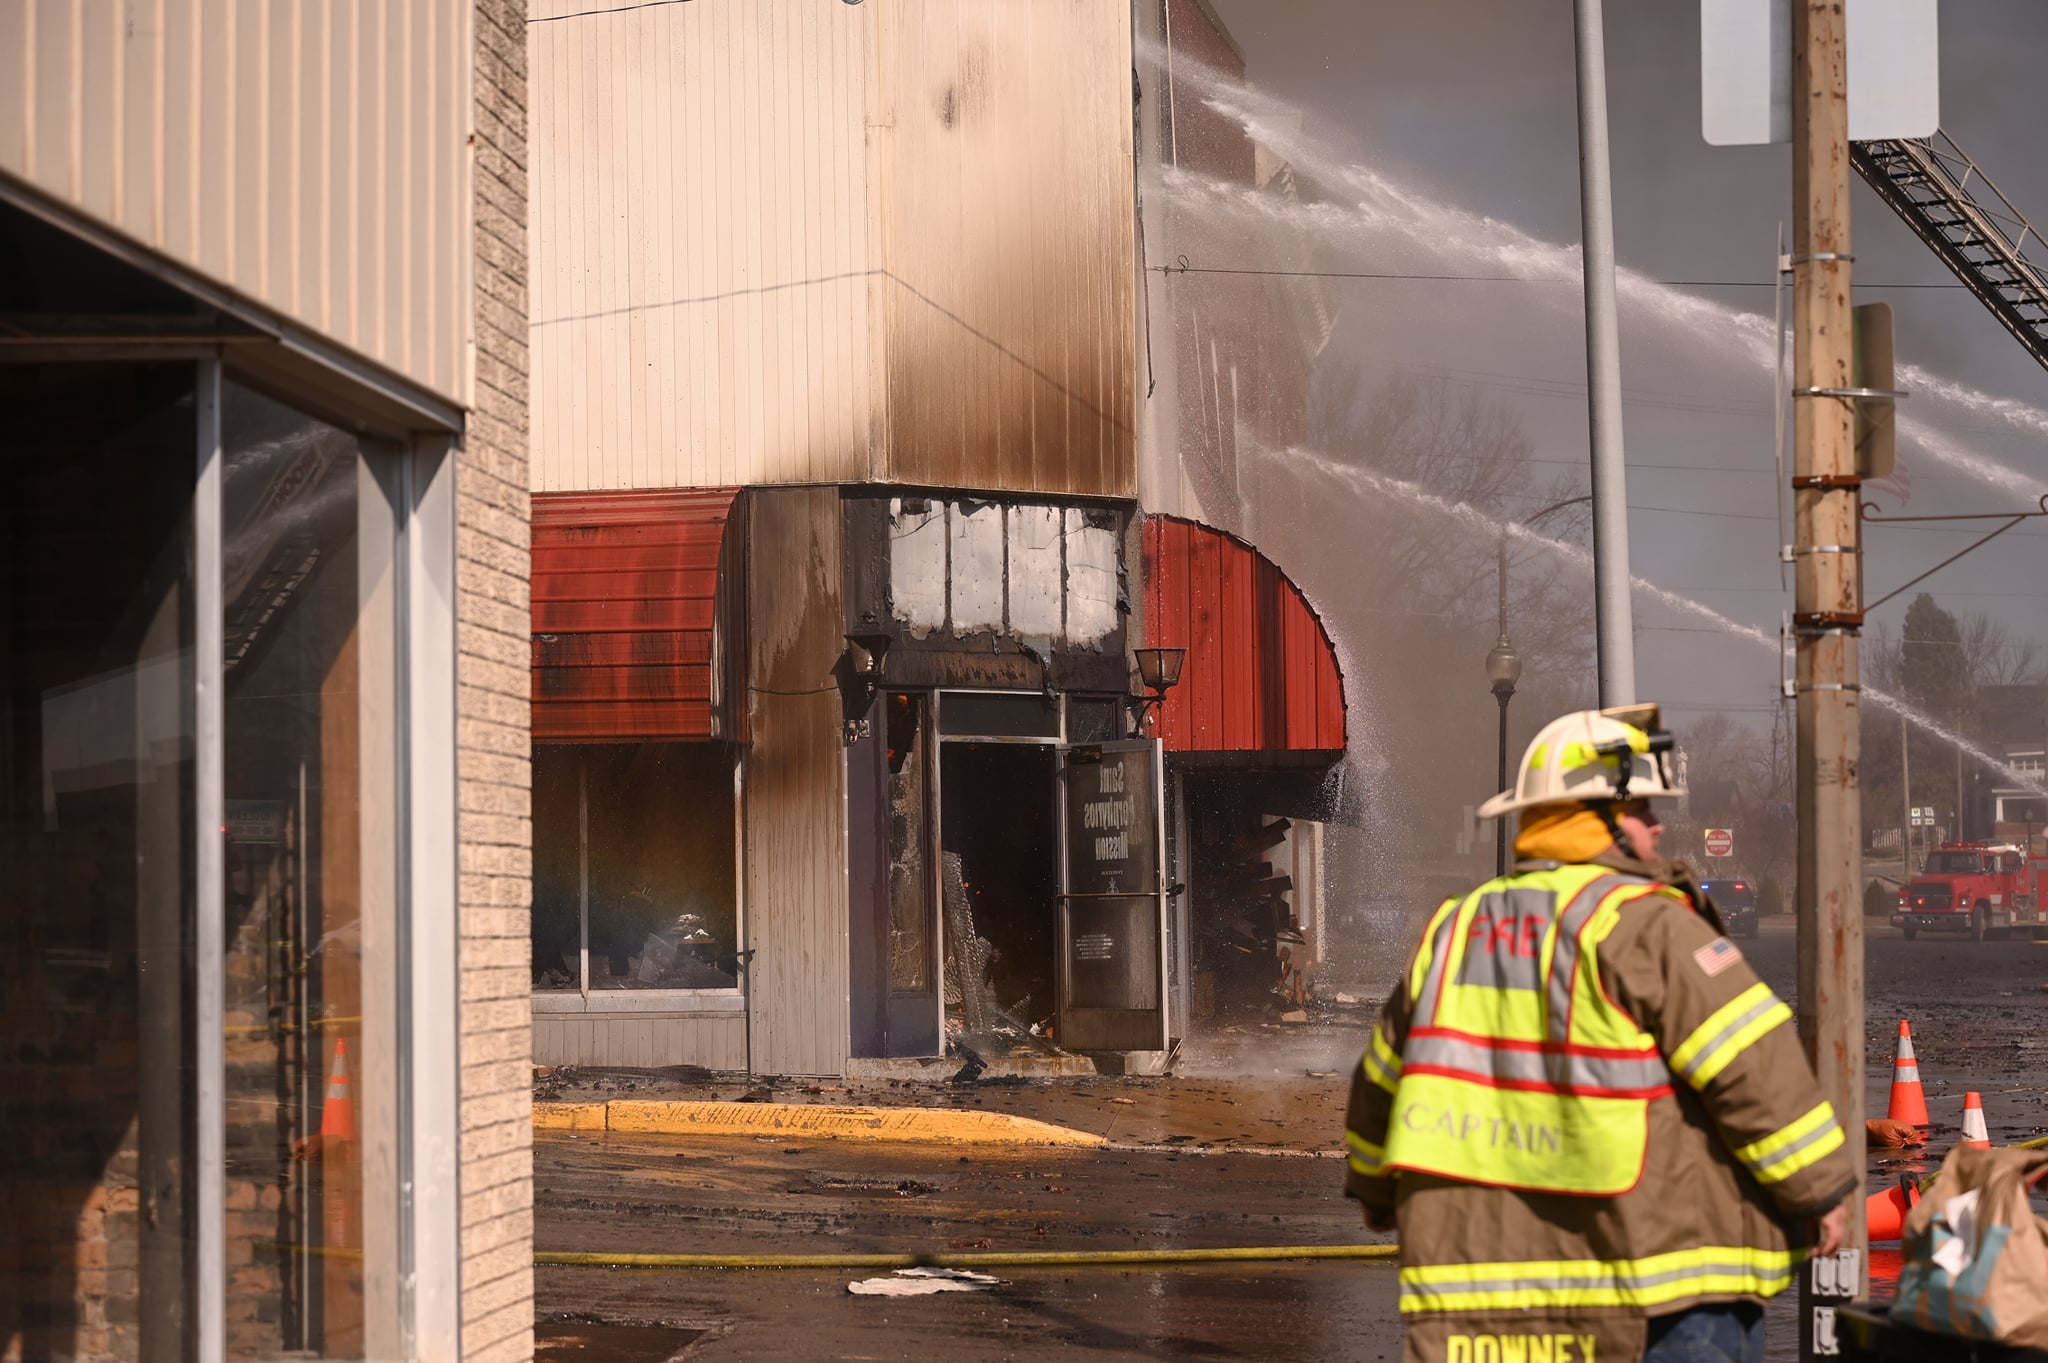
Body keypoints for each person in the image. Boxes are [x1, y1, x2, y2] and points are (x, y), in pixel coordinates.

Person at [1345, 705, 1856, 1363]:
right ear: (1588, 819)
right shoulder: (1646, 924)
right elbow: (1752, 1066)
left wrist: (1375, 1188)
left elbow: (1381, 1080)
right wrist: (1818, 1192)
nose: (1658, 824)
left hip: (1487, 1312)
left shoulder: (1455, 928)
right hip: (1661, 1300)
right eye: (1640, 809)